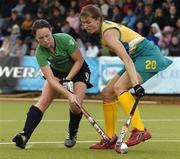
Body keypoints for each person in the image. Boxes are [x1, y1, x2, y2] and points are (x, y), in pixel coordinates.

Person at [80, 5, 172, 149]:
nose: (86, 26)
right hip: (135, 57)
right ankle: (109, 138)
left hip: (148, 56)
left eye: (89, 22)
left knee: (119, 87)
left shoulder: (108, 34)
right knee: (107, 93)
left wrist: (136, 85)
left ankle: (140, 130)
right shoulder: (104, 30)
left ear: (98, 19)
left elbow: (127, 60)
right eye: (83, 23)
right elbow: (128, 58)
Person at [12, 19, 93, 149]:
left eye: (47, 36)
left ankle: (72, 134)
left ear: (51, 31)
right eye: (40, 38)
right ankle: (24, 135)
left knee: (75, 106)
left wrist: (68, 79)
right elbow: (50, 79)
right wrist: (67, 93)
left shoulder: (65, 39)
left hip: (78, 70)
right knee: (43, 101)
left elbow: (79, 61)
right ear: (36, 38)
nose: (45, 40)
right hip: (57, 72)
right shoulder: (40, 52)